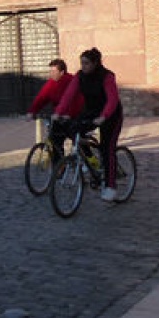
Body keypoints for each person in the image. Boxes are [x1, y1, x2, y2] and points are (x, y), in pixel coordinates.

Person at [52, 47, 125, 202]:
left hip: (110, 114)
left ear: (95, 63)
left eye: (86, 63)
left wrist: (103, 117)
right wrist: (58, 112)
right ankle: (89, 159)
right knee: (72, 129)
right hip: (91, 111)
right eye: (81, 63)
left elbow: (112, 100)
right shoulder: (79, 77)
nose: (83, 66)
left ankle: (110, 186)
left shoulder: (107, 77)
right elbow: (68, 96)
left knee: (107, 148)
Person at [25, 58, 82, 160]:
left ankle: (91, 161)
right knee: (55, 140)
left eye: (53, 71)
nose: (51, 74)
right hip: (58, 116)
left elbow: (77, 100)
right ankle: (59, 168)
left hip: (73, 115)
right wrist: (32, 111)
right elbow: (41, 97)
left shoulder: (71, 81)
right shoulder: (51, 83)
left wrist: (70, 114)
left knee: (77, 138)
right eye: (50, 71)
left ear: (62, 72)